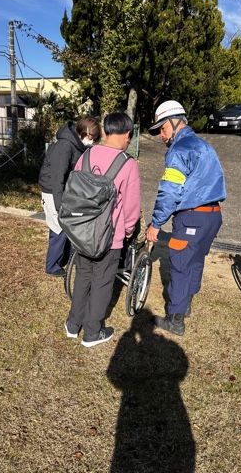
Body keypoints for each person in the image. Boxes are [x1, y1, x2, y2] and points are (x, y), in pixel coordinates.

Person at [146, 100, 226, 336]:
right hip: (213, 216)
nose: (161, 134)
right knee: (196, 262)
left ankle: (175, 321)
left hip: (192, 217)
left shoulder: (178, 151)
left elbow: (169, 192)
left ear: (175, 122)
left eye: (162, 128)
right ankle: (186, 305)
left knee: (180, 267)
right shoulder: (204, 146)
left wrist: (156, 223)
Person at [65, 112, 141, 347]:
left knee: (83, 276)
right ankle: (92, 332)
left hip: (82, 232)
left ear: (106, 132)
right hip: (110, 237)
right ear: (128, 134)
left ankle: (72, 324)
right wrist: (129, 230)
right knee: (102, 283)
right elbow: (131, 206)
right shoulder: (128, 164)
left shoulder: (87, 155)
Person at [39, 116, 102, 276]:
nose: (92, 142)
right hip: (53, 190)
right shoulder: (65, 146)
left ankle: (63, 258)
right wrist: (59, 204)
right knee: (58, 227)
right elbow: (57, 177)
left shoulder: (77, 145)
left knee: (68, 226)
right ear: (84, 132)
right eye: (91, 138)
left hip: (63, 189)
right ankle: (52, 266)